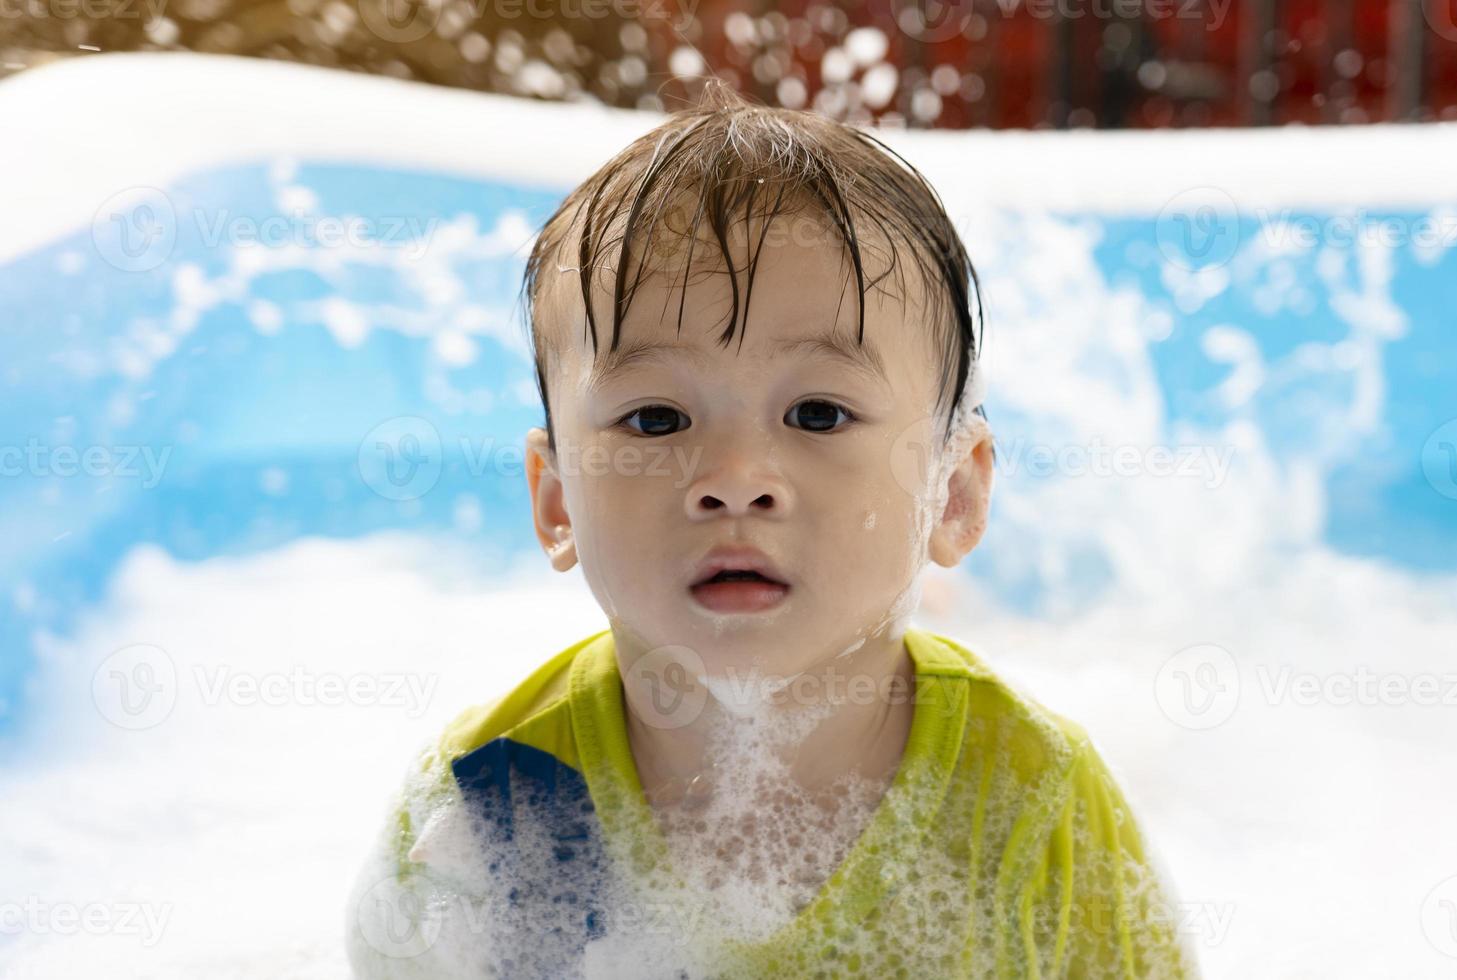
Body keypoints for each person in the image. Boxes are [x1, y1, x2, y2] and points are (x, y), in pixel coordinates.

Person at [346, 77, 1201, 980]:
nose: (734, 482)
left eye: (820, 414)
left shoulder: (1030, 802)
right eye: (654, 421)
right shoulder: (500, 803)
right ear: (556, 503)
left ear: (951, 496)